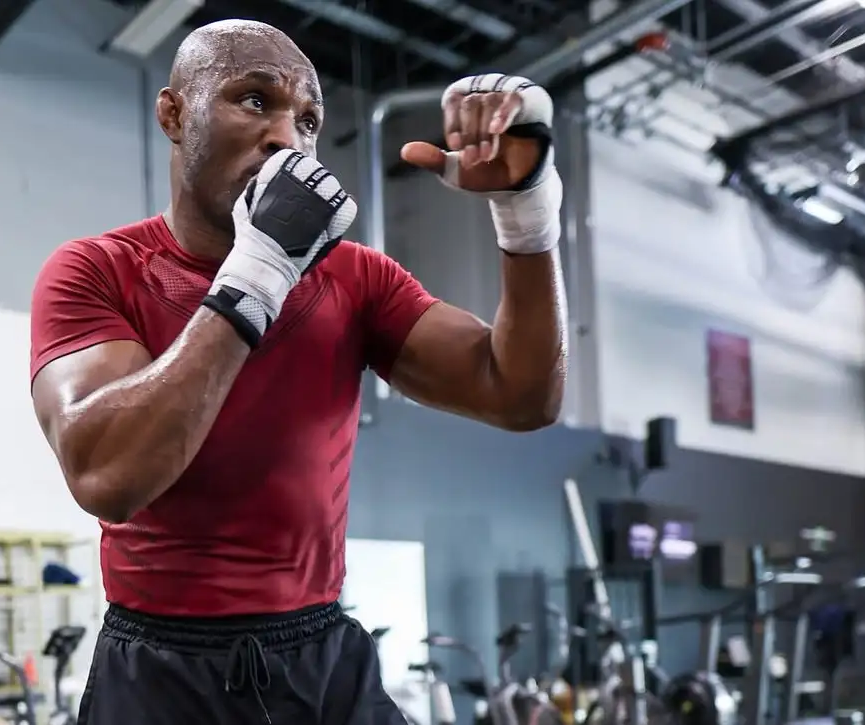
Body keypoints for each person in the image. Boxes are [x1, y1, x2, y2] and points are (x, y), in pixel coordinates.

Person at [29, 19, 567, 725]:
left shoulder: (355, 277)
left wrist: (526, 211)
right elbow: (106, 474)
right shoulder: (97, 270)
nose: (287, 138)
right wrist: (256, 276)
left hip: (321, 659)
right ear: (173, 114)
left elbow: (522, 394)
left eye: (308, 120)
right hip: (160, 671)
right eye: (254, 100)